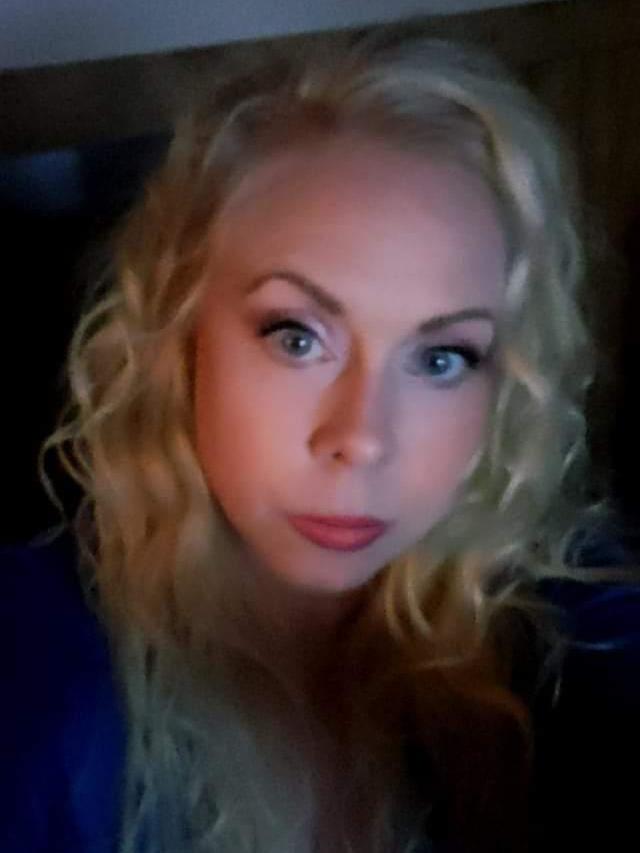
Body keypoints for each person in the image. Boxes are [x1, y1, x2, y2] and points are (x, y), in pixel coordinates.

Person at [1, 25, 638, 853]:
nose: (362, 438)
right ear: (179, 339)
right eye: (297, 337)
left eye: (442, 358)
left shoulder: (547, 608)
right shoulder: (39, 668)